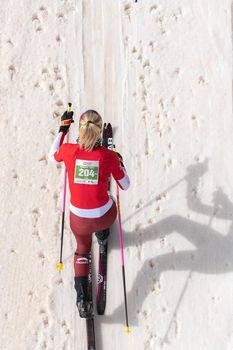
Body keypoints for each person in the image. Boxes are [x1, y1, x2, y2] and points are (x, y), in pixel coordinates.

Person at [49, 109, 130, 318]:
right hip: (103, 216)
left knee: (82, 249)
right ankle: (103, 234)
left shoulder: (68, 151)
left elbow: (52, 154)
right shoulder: (108, 156)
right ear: (98, 134)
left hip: (79, 221)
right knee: (110, 200)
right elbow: (125, 185)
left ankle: (83, 299)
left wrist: (62, 129)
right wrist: (120, 163)